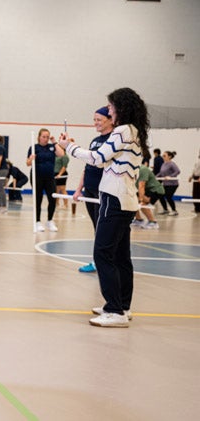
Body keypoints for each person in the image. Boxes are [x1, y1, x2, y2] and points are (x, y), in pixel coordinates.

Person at [59, 87, 149, 328]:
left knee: (103, 253)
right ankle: (122, 305)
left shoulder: (122, 131)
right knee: (120, 256)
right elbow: (105, 158)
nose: (108, 110)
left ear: (120, 108)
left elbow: (98, 158)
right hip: (124, 200)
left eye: (110, 107)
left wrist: (69, 148)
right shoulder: (133, 131)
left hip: (115, 198)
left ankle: (115, 310)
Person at [73, 106, 114, 273]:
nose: (95, 123)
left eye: (99, 120)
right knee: (96, 227)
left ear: (110, 120)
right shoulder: (96, 140)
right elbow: (87, 165)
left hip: (102, 191)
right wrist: (78, 189)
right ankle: (98, 261)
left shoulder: (113, 140)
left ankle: (102, 262)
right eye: (94, 120)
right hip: (89, 190)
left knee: (102, 229)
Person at [26, 128, 64, 232]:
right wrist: (31, 159)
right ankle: (37, 222)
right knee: (38, 199)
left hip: (49, 177)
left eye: (47, 137)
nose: (46, 139)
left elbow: (61, 154)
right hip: (37, 177)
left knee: (52, 199)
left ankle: (50, 221)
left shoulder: (52, 147)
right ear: (39, 137)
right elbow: (28, 163)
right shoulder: (34, 148)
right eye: (44, 137)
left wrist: (54, 141)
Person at [132, 150, 163, 230]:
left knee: (142, 204)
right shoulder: (132, 169)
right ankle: (139, 220)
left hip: (155, 190)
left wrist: (141, 199)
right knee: (132, 201)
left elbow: (141, 185)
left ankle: (153, 222)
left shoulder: (142, 169)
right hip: (145, 190)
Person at [156, 151, 180, 216]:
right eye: (162, 155)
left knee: (168, 196)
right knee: (160, 195)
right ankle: (165, 209)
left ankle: (174, 211)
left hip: (173, 184)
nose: (163, 157)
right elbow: (161, 173)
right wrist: (155, 177)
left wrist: (170, 176)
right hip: (166, 184)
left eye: (164, 155)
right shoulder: (163, 164)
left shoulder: (172, 164)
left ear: (169, 156)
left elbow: (177, 171)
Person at [190, 149, 200, 213]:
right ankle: (196, 208)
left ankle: (199, 208)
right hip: (195, 178)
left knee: (199, 194)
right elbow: (194, 170)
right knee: (195, 194)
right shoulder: (197, 161)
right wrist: (191, 176)